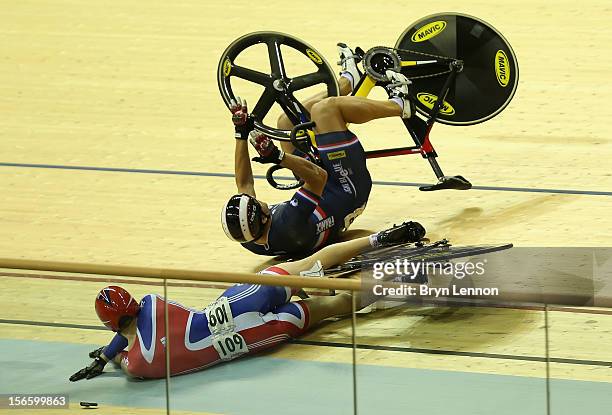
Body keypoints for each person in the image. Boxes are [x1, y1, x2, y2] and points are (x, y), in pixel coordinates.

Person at [69, 222, 421, 380]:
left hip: (253, 336)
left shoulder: (138, 366)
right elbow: (131, 326)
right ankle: (380, 237)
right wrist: (108, 348)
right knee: (308, 266)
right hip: (238, 302)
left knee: (335, 307)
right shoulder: (150, 305)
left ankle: (404, 279)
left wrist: (105, 357)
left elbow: (123, 349)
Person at [222, 44, 419, 257]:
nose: (252, 198)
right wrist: (277, 156)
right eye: (255, 203)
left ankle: (346, 82)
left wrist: (240, 132)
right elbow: (318, 177)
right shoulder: (289, 224)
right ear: (262, 217)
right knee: (325, 110)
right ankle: (400, 105)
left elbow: (244, 184)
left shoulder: (248, 235)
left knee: (286, 123)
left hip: (323, 192)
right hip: (346, 189)